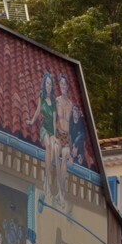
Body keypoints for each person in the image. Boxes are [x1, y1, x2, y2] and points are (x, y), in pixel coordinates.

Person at [27, 72, 56, 196]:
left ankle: (47, 180)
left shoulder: (53, 101)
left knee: (52, 149)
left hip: (51, 129)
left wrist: (54, 133)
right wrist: (32, 121)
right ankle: (46, 179)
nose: (48, 86)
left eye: (50, 84)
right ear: (44, 84)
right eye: (47, 83)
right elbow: (39, 109)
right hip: (44, 127)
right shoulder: (42, 96)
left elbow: (54, 120)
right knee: (48, 146)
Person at [54, 72, 74, 206]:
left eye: (64, 84)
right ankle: (59, 193)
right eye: (60, 84)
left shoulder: (71, 104)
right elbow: (54, 118)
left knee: (64, 164)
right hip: (58, 133)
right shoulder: (57, 100)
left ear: (67, 86)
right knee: (56, 161)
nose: (62, 86)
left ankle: (61, 194)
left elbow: (72, 125)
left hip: (67, 136)